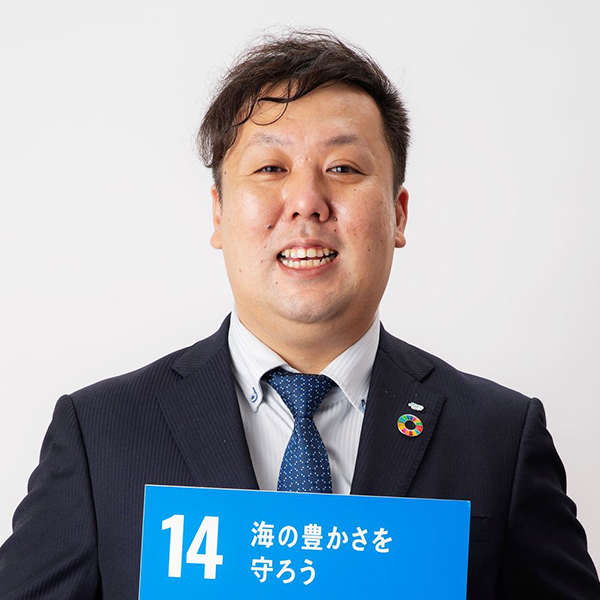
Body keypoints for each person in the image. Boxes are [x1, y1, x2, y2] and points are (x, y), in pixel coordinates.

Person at [1, 30, 599, 600]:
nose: (307, 202)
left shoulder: (498, 437)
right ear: (218, 212)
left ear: (398, 214)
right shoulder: (101, 433)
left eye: (343, 168)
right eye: (271, 169)